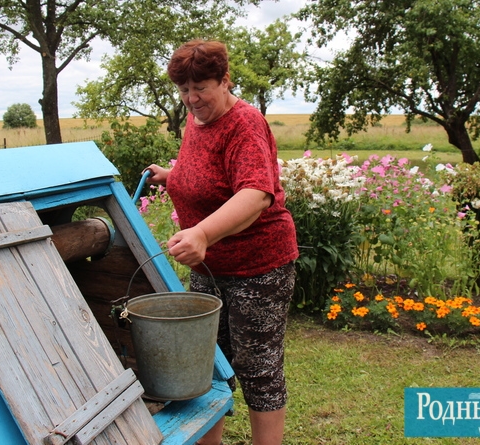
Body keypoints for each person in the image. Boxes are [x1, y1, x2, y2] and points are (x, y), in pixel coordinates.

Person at [143, 39, 298, 445]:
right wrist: (172, 175)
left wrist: (202, 233)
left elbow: (255, 194)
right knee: (209, 366)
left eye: (201, 89)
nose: (191, 99)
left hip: (258, 267)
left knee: (257, 367)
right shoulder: (197, 121)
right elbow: (208, 174)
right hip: (211, 269)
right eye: (183, 91)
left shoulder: (244, 123)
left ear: (225, 80)